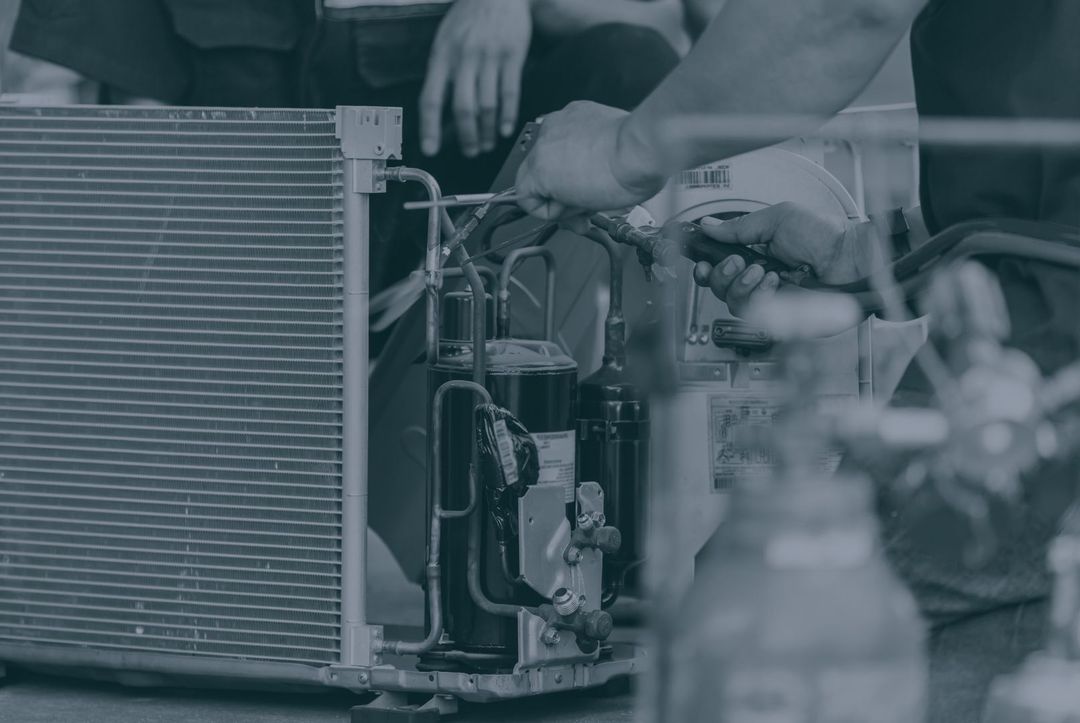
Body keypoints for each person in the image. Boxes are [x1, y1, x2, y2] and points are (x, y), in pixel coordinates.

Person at [513, 0, 1080, 719]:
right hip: (1042, 299)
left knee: (754, 627)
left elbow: (848, 7)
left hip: (1053, 345)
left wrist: (624, 149)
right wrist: (870, 253)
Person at [8, 0, 687, 293]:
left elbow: (667, 29)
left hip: (484, 259)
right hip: (246, 279)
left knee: (630, 66)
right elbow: (96, 145)